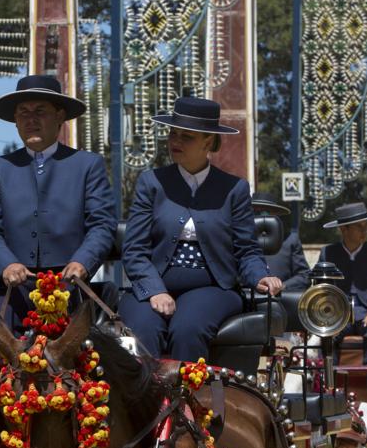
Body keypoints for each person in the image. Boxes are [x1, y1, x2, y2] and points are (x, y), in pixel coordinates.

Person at [120, 97, 282, 360]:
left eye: (187, 137)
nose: (176, 142)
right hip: (154, 284)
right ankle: (146, 400)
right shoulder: (151, 182)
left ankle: (188, 400)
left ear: (208, 141)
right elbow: (134, 249)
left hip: (212, 288)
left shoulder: (233, 189)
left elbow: (247, 250)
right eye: (173, 133)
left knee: (188, 328)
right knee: (141, 328)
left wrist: (259, 277)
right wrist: (155, 289)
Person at [0, 75, 116, 352]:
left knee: (83, 354)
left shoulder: (87, 166)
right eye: (23, 113)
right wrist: (6, 265)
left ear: (60, 116)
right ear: (15, 121)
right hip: (13, 285)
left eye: (40, 111)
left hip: (68, 284)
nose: (31, 119)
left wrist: (82, 262)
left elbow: (102, 225)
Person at [316, 202, 367, 365]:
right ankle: (328, 383)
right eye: (359, 227)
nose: (365, 230)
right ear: (343, 229)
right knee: (325, 333)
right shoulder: (328, 253)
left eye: (366, 225)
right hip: (339, 315)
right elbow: (318, 289)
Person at [253, 192, 310, 292]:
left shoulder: (290, 240)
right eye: (257, 212)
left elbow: (304, 276)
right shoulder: (240, 239)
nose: (262, 216)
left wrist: (282, 286)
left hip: (280, 301)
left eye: (266, 211)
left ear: (275, 215)